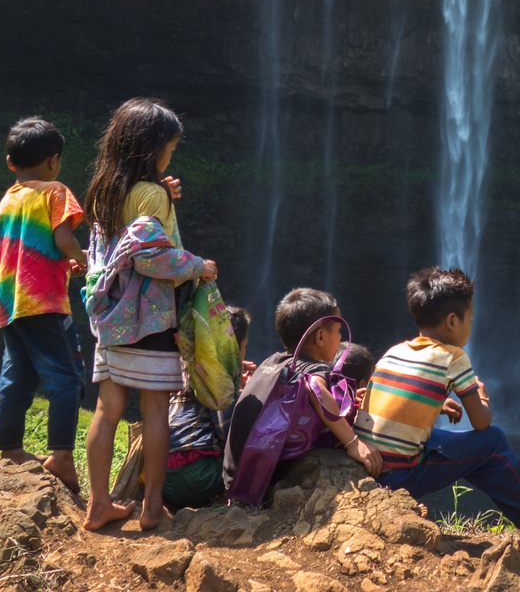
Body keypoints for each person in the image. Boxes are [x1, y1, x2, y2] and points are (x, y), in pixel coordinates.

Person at [79, 98, 216, 531]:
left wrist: (162, 196)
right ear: (152, 148)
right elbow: (151, 258)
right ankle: (152, 506)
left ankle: (98, 503)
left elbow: (120, 241)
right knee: (156, 409)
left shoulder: (104, 190)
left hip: (110, 318)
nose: (170, 156)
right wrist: (198, 266)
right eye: (170, 148)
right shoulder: (151, 194)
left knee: (108, 407)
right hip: (149, 319)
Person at [354, 267, 520, 552]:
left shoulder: (394, 351)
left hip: (370, 466)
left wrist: (435, 408)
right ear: (452, 321)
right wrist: (484, 399)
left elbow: (389, 408)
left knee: (451, 441)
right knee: (493, 443)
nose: (471, 327)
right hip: (399, 476)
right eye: (470, 320)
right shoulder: (453, 357)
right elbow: (481, 423)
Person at [0, 117, 89, 492]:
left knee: (17, 376)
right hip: (44, 303)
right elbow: (63, 238)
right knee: (68, 378)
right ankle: (61, 456)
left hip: (9, 305)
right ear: (54, 161)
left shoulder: (5, 203)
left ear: (11, 163)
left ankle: (10, 448)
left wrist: (64, 264)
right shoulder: (55, 191)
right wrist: (86, 261)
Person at [222, 288, 386, 500]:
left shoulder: (271, 362)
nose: (340, 337)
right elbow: (315, 389)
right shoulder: (315, 370)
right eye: (338, 331)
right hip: (262, 486)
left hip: (232, 480)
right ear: (320, 337)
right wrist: (353, 443)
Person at [161, 304, 253, 511]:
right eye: (244, 345)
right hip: (198, 478)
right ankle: (225, 498)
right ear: (233, 349)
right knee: (254, 451)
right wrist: (241, 393)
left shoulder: (186, 367)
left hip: (160, 477)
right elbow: (229, 436)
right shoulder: (219, 382)